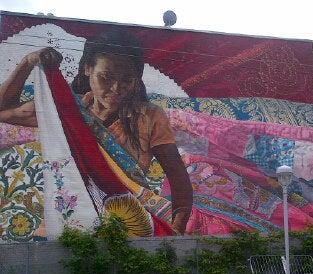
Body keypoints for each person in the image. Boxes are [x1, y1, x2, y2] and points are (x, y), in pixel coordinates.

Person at [0, 30, 193, 234]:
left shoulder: (150, 116)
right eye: (106, 77)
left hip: (133, 223)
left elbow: (179, 179)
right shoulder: (67, 110)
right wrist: (28, 62)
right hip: (76, 223)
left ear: (136, 80)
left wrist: (175, 234)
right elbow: (4, 109)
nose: (116, 88)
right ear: (87, 68)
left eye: (127, 80)